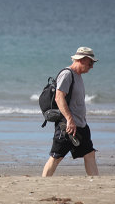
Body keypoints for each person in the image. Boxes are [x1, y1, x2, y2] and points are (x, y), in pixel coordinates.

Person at [42, 47, 99, 177]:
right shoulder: (67, 74)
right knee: (56, 157)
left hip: (80, 125)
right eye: (91, 63)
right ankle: (43, 183)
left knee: (89, 154)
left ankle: (96, 182)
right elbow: (59, 97)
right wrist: (69, 120)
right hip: (67, 126)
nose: (92, 67)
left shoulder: (77, 76)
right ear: (82, 60)